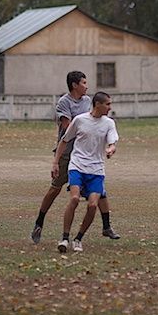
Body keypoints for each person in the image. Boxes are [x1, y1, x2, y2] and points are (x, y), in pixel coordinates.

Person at [30, 71, 120, 244]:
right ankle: (39, 222)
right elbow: (68, 126)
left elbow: (94, 119)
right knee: (55, 188)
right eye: (84, 82)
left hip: (86, 153)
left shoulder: (87, 101)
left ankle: (106, 226)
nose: (87, 86)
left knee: (100, 192)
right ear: (74, 85)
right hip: (67, 152)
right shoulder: (64, 102)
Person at [54, 91, 119, 253]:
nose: (110, 107)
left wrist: (110, 149)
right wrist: (55, 162)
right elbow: (64, 141)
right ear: (98, 104)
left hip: (96, 170)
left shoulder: (109, 123)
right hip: (77, 166)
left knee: (92, 205)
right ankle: (64, 238)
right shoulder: (80, 120)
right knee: (74, 199)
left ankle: (78, 239)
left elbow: (112, 142)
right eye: (108, 104)